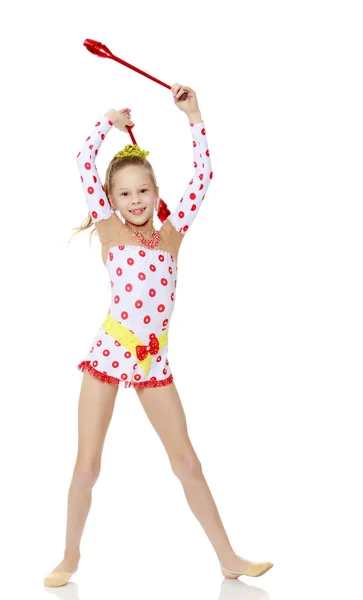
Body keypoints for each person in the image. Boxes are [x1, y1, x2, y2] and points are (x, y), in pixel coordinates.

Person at [43, 83, 273, 587]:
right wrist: (107, 122)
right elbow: (84, 162)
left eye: (143, 191)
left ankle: (229, 556)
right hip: (110, 352)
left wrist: (194, 117)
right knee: (88, 463)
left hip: (153, 362)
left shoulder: (172, 234)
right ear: (111, 201)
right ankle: (69, 556)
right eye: (124, 194)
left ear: (155, 191)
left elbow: (204, 177)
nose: (135, 200)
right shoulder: (109, 230)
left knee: (186, 459)